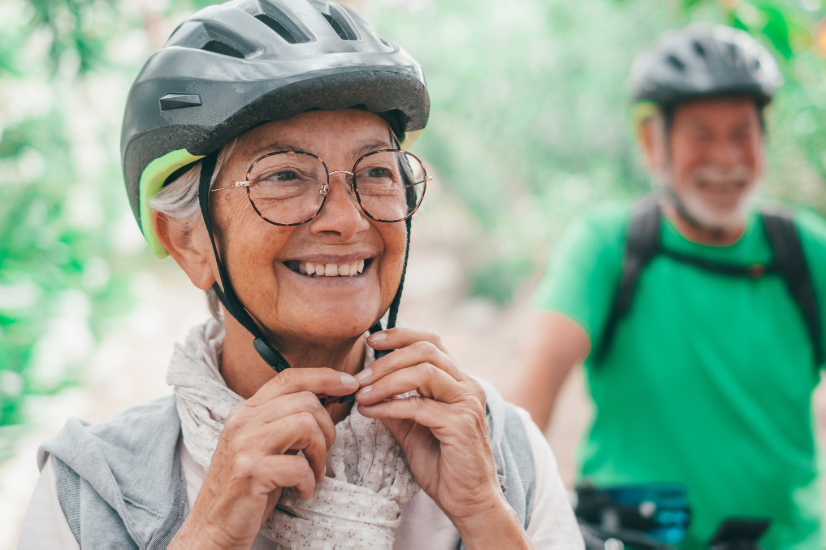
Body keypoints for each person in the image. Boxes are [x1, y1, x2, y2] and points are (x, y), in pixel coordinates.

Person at [16, 1, 584, 548]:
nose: (346, 219)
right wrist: (210, 534)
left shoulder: (500, 450)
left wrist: (485, 514)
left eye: (377, 172)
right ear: (188, 240)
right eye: (285, 174)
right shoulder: (94, 489)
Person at [509, 23, 826, 549]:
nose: (726, 159)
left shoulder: (804, 252)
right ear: (653, 144)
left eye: (742, 133)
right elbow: (533, 386)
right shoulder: (612, 244)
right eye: (702, 135)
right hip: (633, 538)